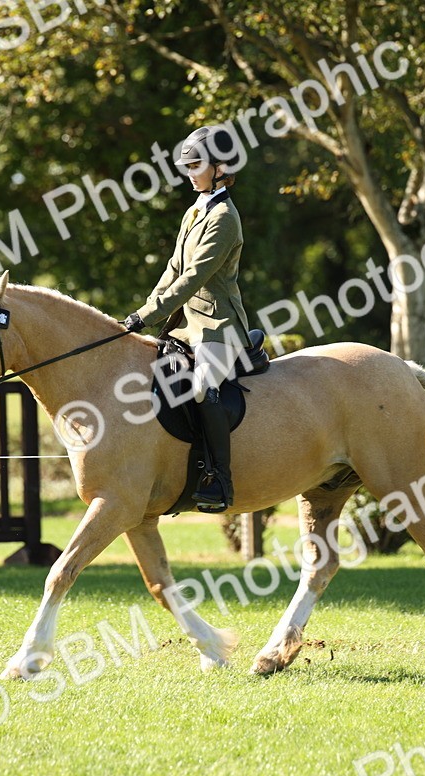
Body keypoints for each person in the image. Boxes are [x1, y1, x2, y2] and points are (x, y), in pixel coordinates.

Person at [121, 125, 251, 513]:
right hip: (183, 326)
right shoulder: (195, 210)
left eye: (196, 165)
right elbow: (173, 269)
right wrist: (143, 310)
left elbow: (195, 277)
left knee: (199, 389)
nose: (190, 172)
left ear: (222, 166)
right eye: (188, 165)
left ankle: (219, 479)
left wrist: (148, 315)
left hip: (217, 328)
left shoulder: (225, 217)